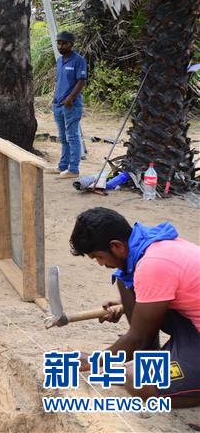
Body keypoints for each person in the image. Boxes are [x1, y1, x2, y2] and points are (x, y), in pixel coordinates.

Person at [69, 208, 199, 408]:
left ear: (116, 246)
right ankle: (150, 355)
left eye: (98, 257)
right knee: (125, 279)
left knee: (136, 381)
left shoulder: (153, 264)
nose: (101, 264)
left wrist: (95, 362)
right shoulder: (150, 243)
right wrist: (127, 305)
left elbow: (136, 338)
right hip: (192, 327)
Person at [53, 31, 87, 178]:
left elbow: (81, 81)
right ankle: (63, 166)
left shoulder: (78, 60)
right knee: (63, 137)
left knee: (72, 136)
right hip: (58, 105)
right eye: (59, 43)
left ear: (71, 44)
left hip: (71, 106)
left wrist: (70, 99)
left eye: (64, 43)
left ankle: (73, 169)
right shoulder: (60, 61)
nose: (61, 46)